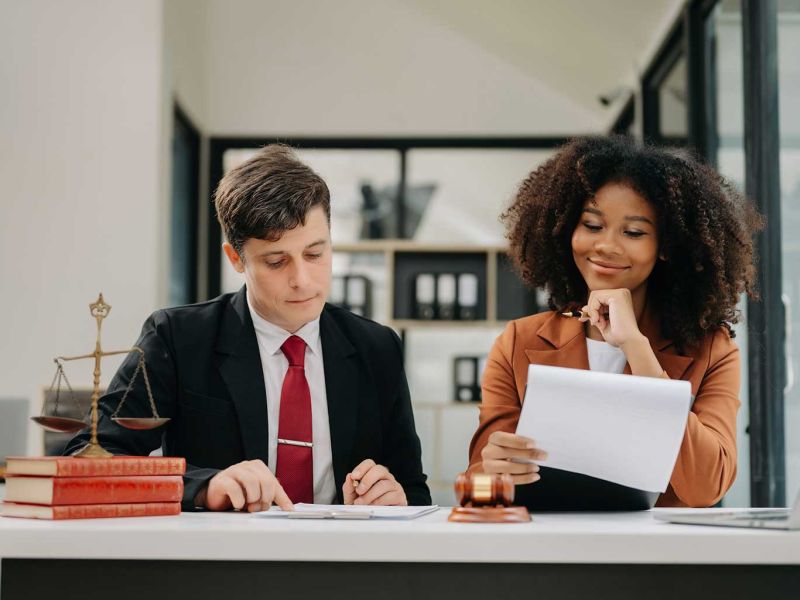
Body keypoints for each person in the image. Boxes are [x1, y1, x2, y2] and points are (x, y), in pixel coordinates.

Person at [65, 144, 430, 511]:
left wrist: (395, 498)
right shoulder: (177, 338)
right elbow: (88, 458)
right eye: (276, 261)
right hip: (220, 560)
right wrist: (203, 486)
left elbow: (414, 491)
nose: (302, 280)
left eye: (315, 254)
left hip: (341, 560)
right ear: (236, 259)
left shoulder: (377, 347)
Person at [468, 136, 763, 507]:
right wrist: (491, 471)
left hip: (657, 560)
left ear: (667, 246)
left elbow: (706, 487)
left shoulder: (712, 349)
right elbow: (476, 488)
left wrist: (637, 349)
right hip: (548, 553)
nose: (606, 245)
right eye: (592, 226)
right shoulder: (518, 341)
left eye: (634, 232)